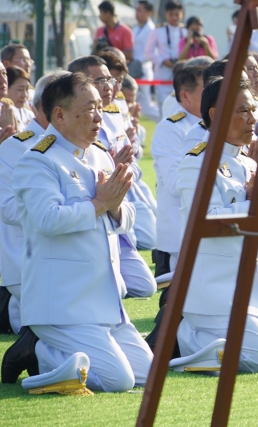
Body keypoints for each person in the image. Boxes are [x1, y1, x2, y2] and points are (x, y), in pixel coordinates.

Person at [2, 72, 152, 392]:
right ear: (60, 114)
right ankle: (41, 353)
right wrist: (99, 204)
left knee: (147, 374)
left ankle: (48, 353)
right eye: (90, 108)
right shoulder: (38, 160)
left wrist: (112, 207)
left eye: (100, 107)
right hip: (61, 304)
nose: (99, 116)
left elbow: (126, 219)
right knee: (118, 381)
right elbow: (46, 219)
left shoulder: (99, 154)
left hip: (103, 300)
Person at [171, 76, 258, 373]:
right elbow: (202, 220)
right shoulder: (197, 161)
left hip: (248, 279)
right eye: (243, 111)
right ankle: (190, 338)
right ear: (215, 114)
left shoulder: (248, 163)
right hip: (211, 285)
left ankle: (209, 339)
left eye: (253, 110)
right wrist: (254, 206)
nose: (252, 118)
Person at [67, 55, 156, 298]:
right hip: (91, 218)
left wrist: (117, 170)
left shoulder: (115, 114)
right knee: (115, 290)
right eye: (100, 80)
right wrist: (112, 169)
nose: (108, 86)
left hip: (118, 213)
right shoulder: (70, 124)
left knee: (146, 286)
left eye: (109, 79)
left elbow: (133, 166)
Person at [0, 70, 64, 336]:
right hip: (27, 256)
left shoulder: (76, 145)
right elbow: (7, 208)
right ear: (48, 108)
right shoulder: (18, 146)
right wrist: (56, 213)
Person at [151, 64, 207, 276]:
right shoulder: (170, 128)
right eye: (207, 88)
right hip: (181, 236)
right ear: (185, 95)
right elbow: (176, 185)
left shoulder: (220, 123)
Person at [145, 0, 187, 107]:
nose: (174, 17)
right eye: (171, 14)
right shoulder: (158, 30)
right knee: (163, 106)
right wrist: (163, 61)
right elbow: (148, 51)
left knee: (181, 105)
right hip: (163, 73)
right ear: (166, 14)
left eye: (176, 14)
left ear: (182, 14)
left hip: (182, 73)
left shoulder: (186, 31)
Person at [131, 0, 157, 120]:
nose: (137, 13)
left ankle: (163, 119)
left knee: (146, 105)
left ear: (148, 13)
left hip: (143, 71)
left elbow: (150, 53)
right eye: (136, 10)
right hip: (132, 69)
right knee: (130, 103)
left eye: (140, 10)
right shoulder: (136, 27)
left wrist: (137, 61)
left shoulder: (152, 29)